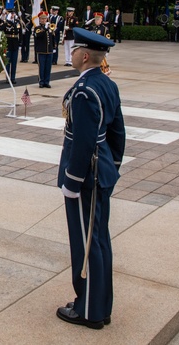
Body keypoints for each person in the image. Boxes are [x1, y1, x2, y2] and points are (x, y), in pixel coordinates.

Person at [56, 27, 126, 330]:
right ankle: (98, 303)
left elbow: (84, 142)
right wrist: (113, 164)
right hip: (102, 171)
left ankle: (89, 310)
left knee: (86, 244)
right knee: (97, 240)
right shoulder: (106, 84)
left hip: (86, 177)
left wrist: (72, 181)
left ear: (84, 56)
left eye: (73, 50)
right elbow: (118, 133)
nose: (70, 53)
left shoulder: (85, 91)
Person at [34, 11, 56, 88]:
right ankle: (41, 81)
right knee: (42, 67)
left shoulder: (49, 28)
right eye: (42, 19)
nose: (43, 20)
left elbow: (52, 38)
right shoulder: (37, 28)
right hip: (41, 50)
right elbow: (38, 35)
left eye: (45, 18)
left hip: (49, 50)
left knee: (48, 67)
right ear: (39, 19)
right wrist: (45, 29)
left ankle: (47, 81)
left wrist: (54, 47)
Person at [1, 5, 20, 84]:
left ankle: (13, 77)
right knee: (7, 62)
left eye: (13, 13)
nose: (12, 15)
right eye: (11, 13)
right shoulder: (5, 22)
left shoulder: (16, 22)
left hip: (15, 44)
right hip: (8, 43)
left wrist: (14, 22)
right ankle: (7, 77)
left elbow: (17, 31)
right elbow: (0, 29)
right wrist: (6, 21)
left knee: (14, 62)